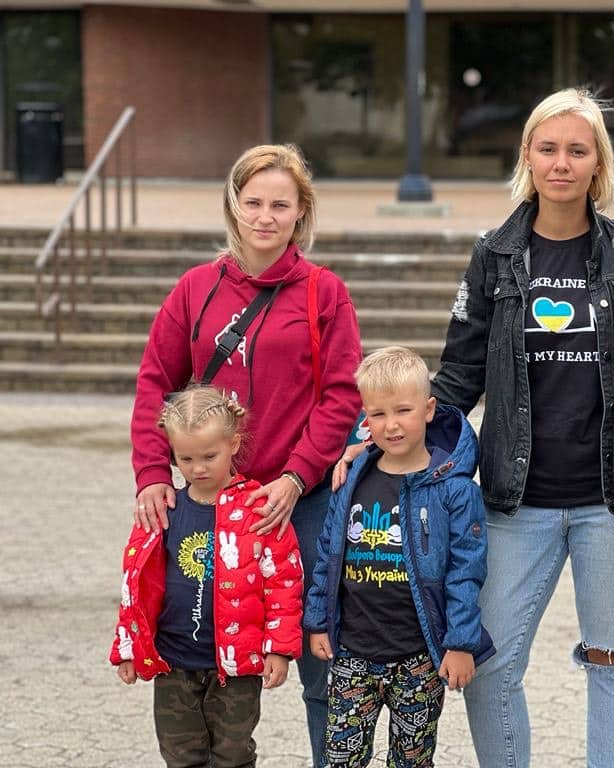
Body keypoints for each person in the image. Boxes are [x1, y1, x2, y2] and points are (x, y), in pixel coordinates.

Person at [334, 88, 614, 767]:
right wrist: (378, 437)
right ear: (527, 157)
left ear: (598, 162)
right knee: (485, 663)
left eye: (577, 149)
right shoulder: (495, 254)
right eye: (548, 148)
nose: (561, 163)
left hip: (612, 500)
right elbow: (457, 376)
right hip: (515, 500)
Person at [130, 144, 362, 767]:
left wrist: (295, 476)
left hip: (296, 501)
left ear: (300, 212)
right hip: (205, 500)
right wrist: (154, 472)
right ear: (234, 205)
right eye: (253, 202)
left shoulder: (324, 292)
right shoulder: (196, 290)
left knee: (318, 658)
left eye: (279, 204)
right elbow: (157, 381)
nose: (265, 216)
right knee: (193, 658)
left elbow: (341, 397)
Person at [305, 346, 493, 767]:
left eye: (403, 411)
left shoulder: (455, 490)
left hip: (419, 659)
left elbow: (467, 571)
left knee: (411, 761)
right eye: (378, 414)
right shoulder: (352, 479)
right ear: (364, 420)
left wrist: (460, 643)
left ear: (428, 410)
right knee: (340, 758)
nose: (391, 425)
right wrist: (318, 620)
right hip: (354, 653)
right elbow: (328, 554)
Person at [111, 386, 304, 768]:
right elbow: (135, 584)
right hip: (174, 660)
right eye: (185, 458)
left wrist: (280, 648)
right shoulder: (163, 510)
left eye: (209, 456)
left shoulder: (258, 509)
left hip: (236, 665)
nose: (198, 468)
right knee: (180, 752)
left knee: (232, 753)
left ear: (233, 444)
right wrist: (128, 646)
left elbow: (284, 581)